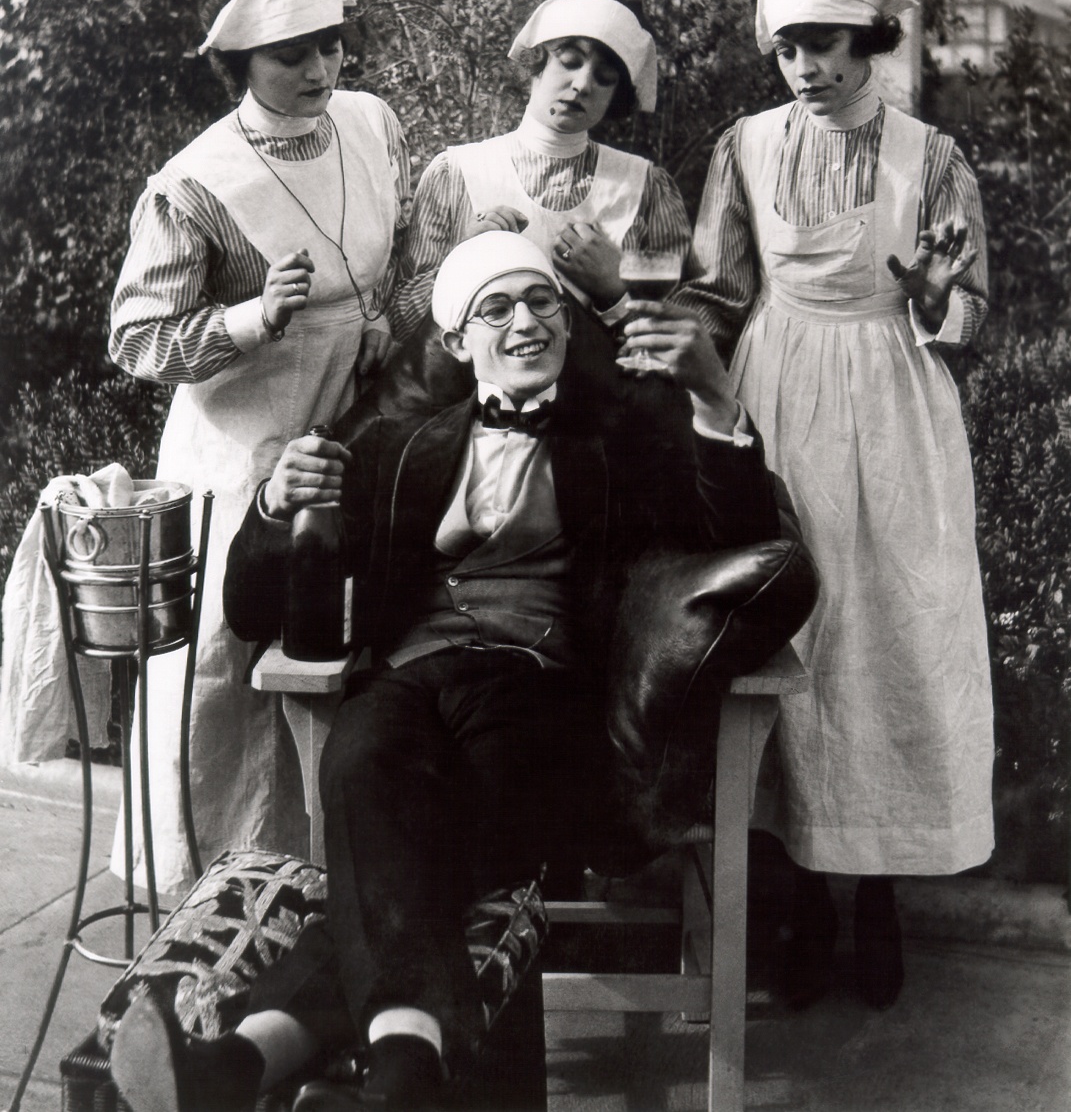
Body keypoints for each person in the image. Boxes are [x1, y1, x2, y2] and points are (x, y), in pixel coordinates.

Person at [110, 230, 786, 1112]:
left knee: (401, 844)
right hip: (407, 680)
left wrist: (712, 394)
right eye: (495, 309)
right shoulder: (398, 447)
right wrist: (274, 508)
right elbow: (248, 610)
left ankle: (242, 1064)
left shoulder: (620, 438)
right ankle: (401, 1078)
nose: (526, 323)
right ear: (458, 343)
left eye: (542, 302)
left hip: (536, 691)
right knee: (360, 763)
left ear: (567, 324)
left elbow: (737, 533)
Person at [676, 0, 994, 1010]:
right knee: (793, 632)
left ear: (869, 44)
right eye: (787, 50)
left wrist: (936, 298)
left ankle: (880, 897)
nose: (804, 69)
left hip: (895, 409)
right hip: (779, 395)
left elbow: (972, 317)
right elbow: (719, 291)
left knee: (891, 637)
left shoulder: (930, 157)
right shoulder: (746, 147)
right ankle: (805, 899)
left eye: (823, 47)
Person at [108, 0, 410, 890]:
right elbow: (138, 342)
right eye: (290, 57)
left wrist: (381, 321)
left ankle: (328, 889)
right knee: (223, 660)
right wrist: (252, 318)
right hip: (240, 447)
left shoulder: (370, 123)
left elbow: (390, 255)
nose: (320, 71)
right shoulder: (198, 181)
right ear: (237, 62)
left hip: (352, 425)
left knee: (339, 640)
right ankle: (208, 889)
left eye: (331, 46)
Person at [388, 0, 695, 341]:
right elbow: (401, 324)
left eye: (605, 77)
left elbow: (680, 338)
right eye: (570, 61)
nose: (582, 84)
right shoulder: (456, 173)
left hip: (604, 377)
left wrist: (614, 290)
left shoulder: (644, 187)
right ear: (536, 61)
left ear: (617, 95)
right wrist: (461, 259)